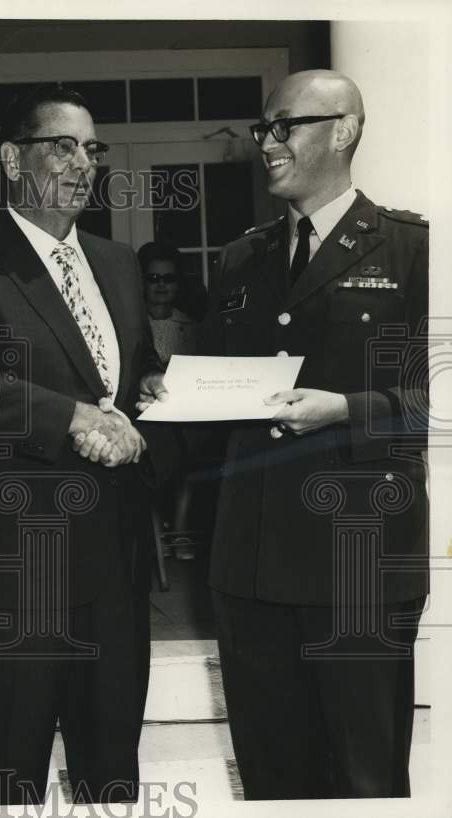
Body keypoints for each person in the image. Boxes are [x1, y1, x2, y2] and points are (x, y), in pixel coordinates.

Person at [140, 69, 429, 799]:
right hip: (251, 562)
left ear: (345, 129)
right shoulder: (242, 258)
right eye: (263, 129)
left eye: (284, 126)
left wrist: (347, 409)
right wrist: (159, 404)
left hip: (357, 559)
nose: (266, 143)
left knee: (366, 779)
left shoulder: (412, 250)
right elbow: (211, 398)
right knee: (273, 782)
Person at [0, 85, 178, 805]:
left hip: (116, 573)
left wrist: (151, 391)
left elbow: (131, 369)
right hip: (20, 579)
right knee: (11, 780)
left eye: (92, 149)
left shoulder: (117, 263)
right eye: (62, 145)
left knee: (112, 776)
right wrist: (75, 418)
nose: (82, 163)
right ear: (9, 158)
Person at [137, 241, 199, 366]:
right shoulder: (131, 327)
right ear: (142, 281)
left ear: (177, 284)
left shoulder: (195, 330)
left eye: (169, 279)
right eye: (153, 278)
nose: (161, 284)